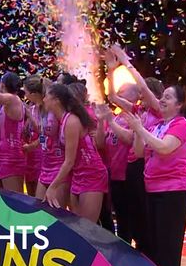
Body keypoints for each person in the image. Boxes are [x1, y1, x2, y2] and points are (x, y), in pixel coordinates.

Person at [124, 85, 186, 266]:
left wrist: (140, 130)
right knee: (154, 241)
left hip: (174, 191)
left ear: (179, 104)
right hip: (153, 189)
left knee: (168, 243)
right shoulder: (157, 126)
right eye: (162, 96)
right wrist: (138, 130)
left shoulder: (181, 124)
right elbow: (139, 152)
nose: (162, 100)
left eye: (168, 97)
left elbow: (165, 148)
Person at [106, 45, 163, 252]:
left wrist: (125, 61)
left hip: (141, 168)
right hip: (132, 169)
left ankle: (146, 256)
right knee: (132, 219)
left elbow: (144, 88)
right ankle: (134, 256)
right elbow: (112, 97)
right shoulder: (139, 111)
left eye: (143, 92)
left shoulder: (157, 113)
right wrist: (111, 70)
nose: (140, 94)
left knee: (142, 221)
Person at [43, 84, 108, 222]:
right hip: (78, 173)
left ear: (56, 100)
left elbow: (69, 161)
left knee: (87, 227)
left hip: (92, 173)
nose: (43, 100)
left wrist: (53, 187)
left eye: (46, 96)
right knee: (77, 226)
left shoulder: (71, 121)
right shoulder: (62, 120)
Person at [94, 83, 140, 242]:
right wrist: (102, 121)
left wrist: (110, 121)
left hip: (129, 176)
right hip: (114, 175)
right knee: (119, 217)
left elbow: (129, 139)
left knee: (129, 220)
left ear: (133, 96)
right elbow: (100, 144)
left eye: (121, 92)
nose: (117, 95)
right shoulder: (117, 117)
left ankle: (130, 251)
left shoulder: (136, 117)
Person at [23, 76, 46, 197]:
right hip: (30, 156)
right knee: (30, 194)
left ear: (32, 94)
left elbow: (44, 135)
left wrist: (33, 146)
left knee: (39, 195)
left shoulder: (46, 109)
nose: (25, 95)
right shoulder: (30, 109)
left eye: (25, 92)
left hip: (41, 156)